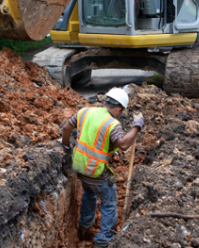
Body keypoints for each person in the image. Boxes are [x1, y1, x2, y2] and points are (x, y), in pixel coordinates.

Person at [60, 87, 143, 248]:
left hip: (80, 168)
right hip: (96, 172)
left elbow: (66, 128)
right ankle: (103, 240)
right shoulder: (112, 124)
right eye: (121, 111)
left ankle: (84, 225)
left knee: (89, 193)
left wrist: (66, 146)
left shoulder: (84, 112)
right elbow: (124, 144)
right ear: (119, 109)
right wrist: (137, 127)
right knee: (109, 202)